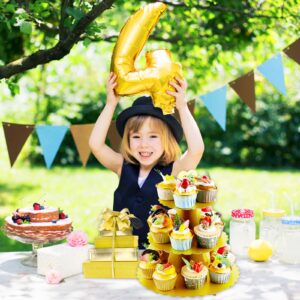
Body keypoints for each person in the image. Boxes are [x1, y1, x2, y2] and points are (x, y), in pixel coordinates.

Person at [89, 72, 204, 248]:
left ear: (167, 139)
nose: (143, 144)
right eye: (136, 137)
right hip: (123, 251)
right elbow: (96, 144)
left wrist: (182, 106)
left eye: (153, 136)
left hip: (160, 257)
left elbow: (196, 150)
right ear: (127, 140)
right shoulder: (122, 166)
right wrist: (110, 104)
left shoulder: (174, 170)